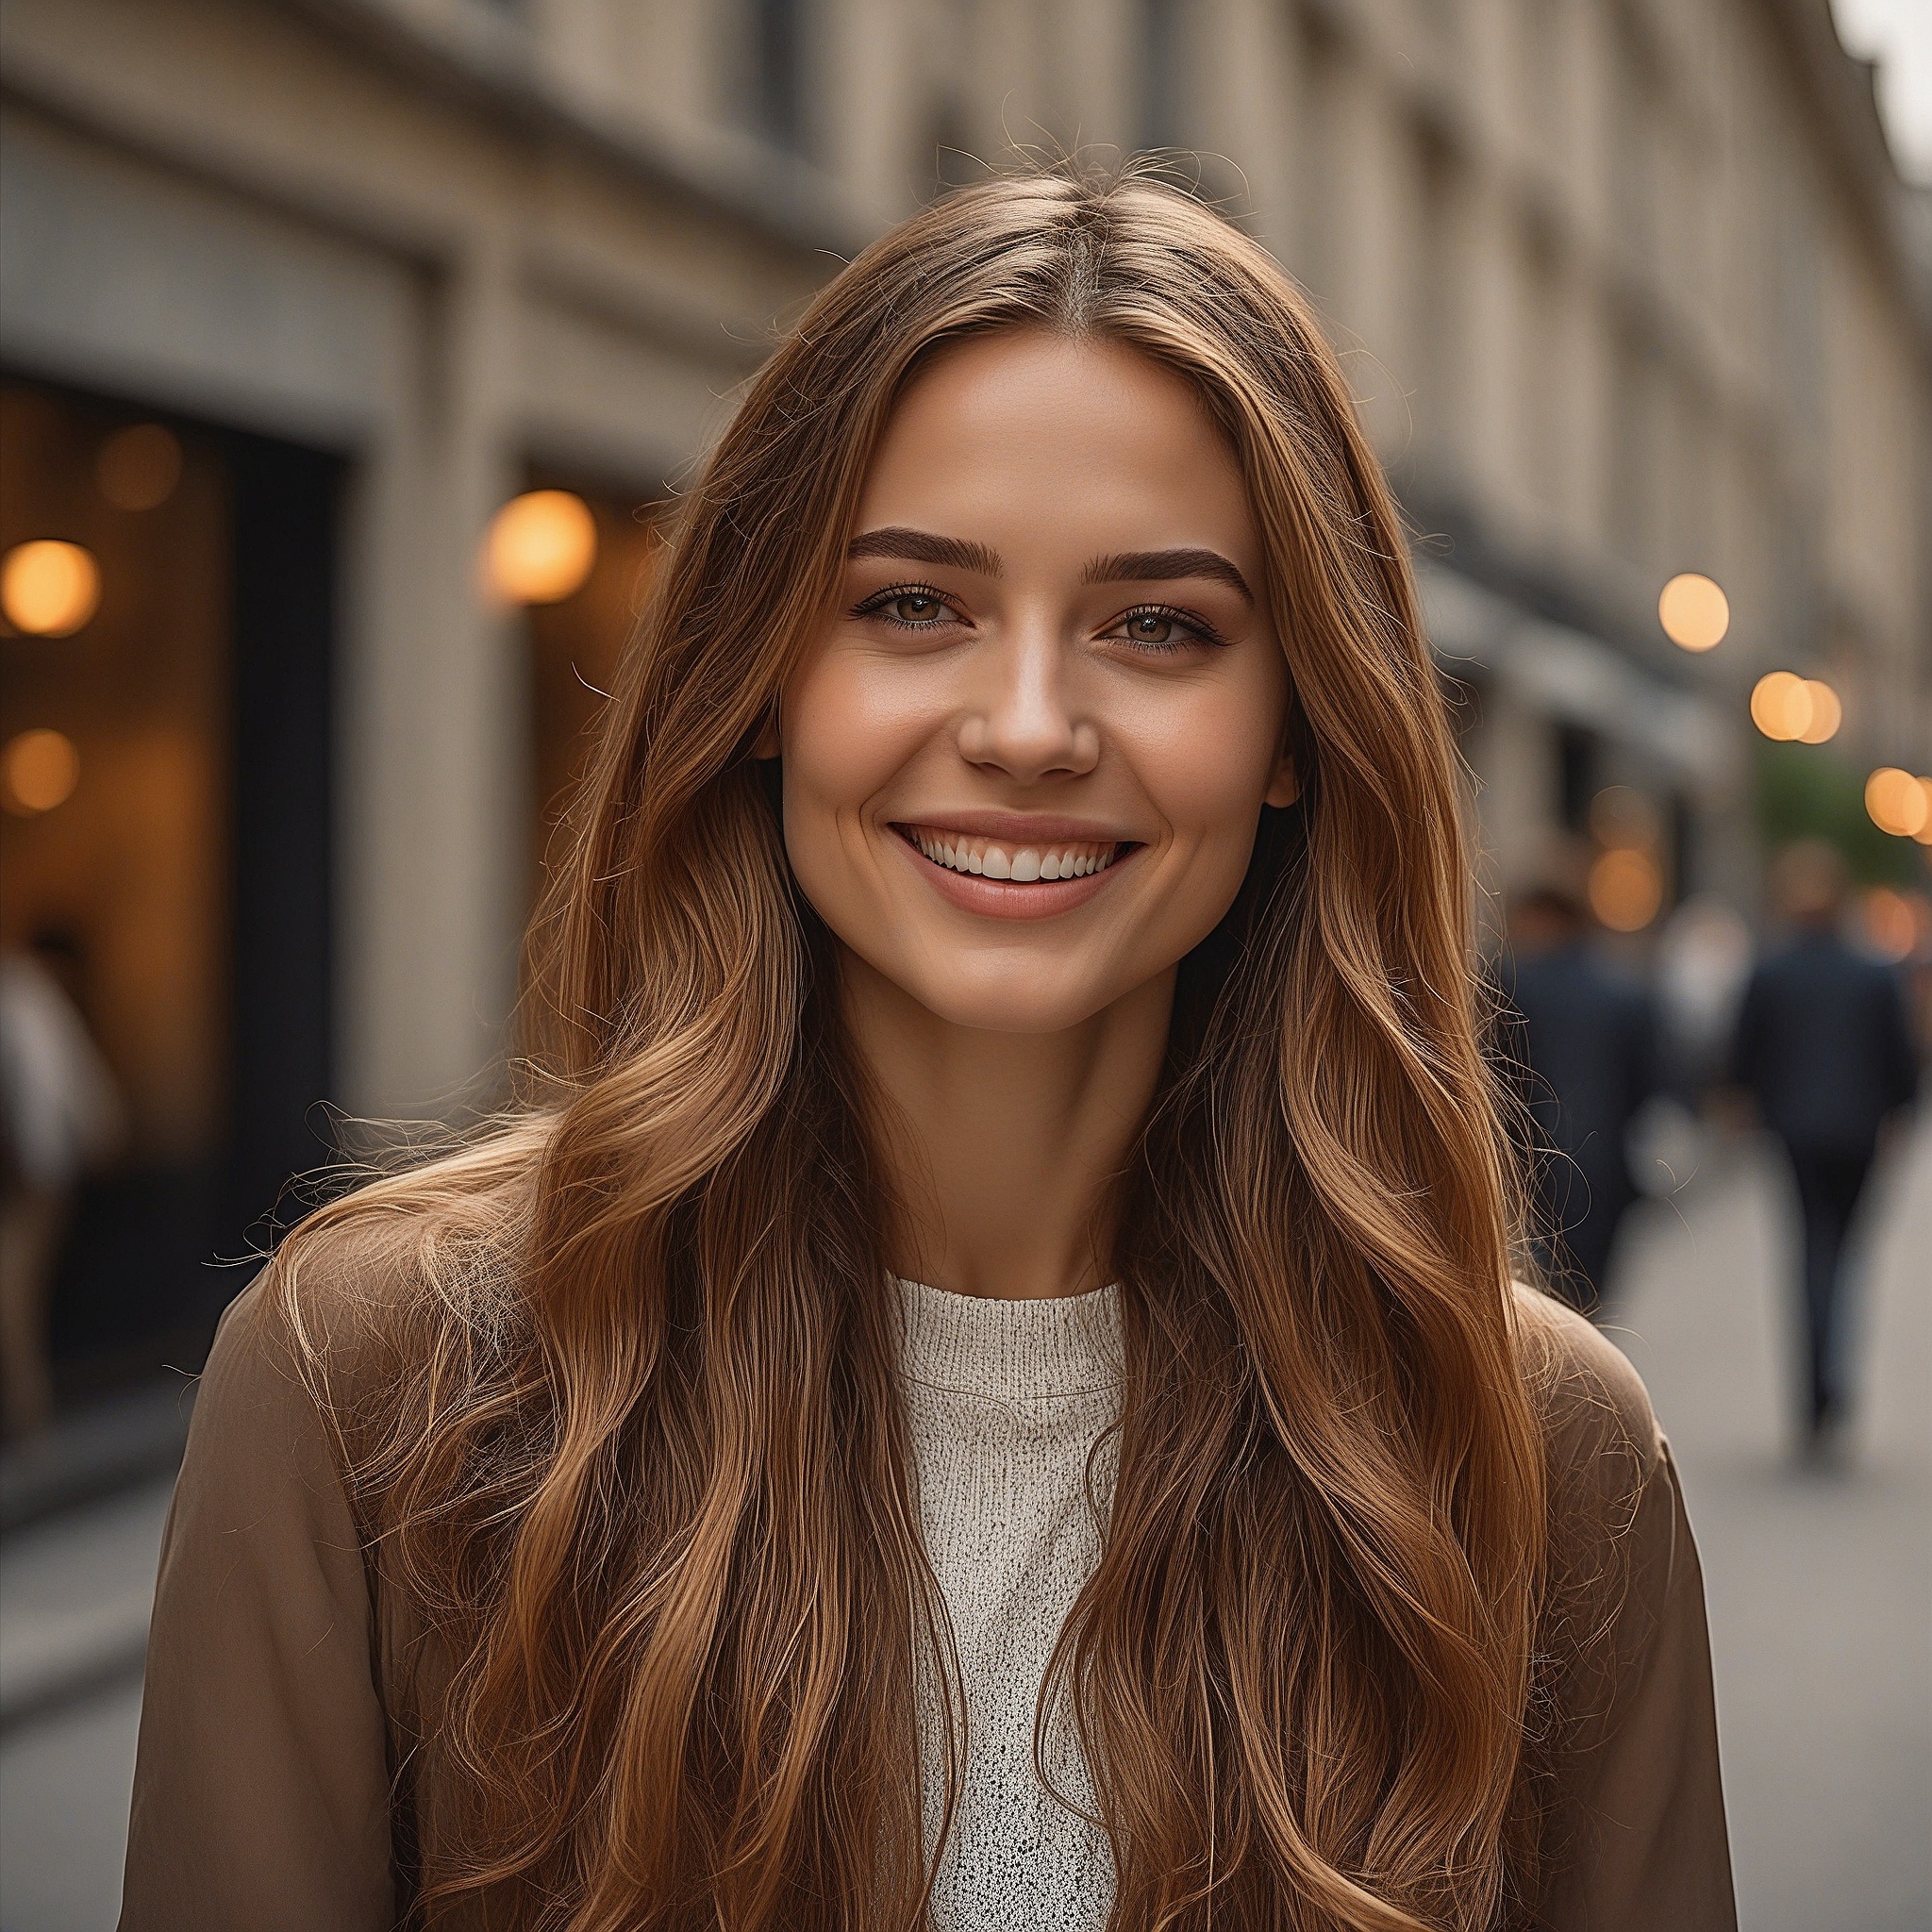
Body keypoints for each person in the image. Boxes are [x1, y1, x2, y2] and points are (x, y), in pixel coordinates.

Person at [121, 168, 1733, 1932]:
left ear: (1293, 728)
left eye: (1158, 625)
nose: (1028, 725)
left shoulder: (1536, 1446)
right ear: (764, 677)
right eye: (910, 603)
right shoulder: (373, 1379)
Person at [1733, 841, 1920, 1448]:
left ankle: (1814, 1390)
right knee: (1845, 1255)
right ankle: (1833, 1377)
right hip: (1860, 1131)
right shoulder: (1874, 972)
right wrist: (1899, 1115)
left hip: (1796, 1131)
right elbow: (1903, 1056)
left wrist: (1749, 1107)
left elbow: (1744, 1054)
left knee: (1811, 1251)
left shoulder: (1772, 970)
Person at [1500, 873, 1660, 1314]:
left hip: (1529, 1169)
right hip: (1606, 1168)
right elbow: (1651, 1086)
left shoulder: (1510, 985)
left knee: (1539, 1301)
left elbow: (1493, 1079)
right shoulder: (1624, 989)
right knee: (1590, 1302)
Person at [0, 936, 123, 1438]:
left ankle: (29, 1419)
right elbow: (66, 1089)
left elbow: (60, 1087)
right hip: (36, 1171)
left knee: (14, 1289)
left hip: (33, 1173)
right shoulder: (28, 997)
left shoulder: (24, 995)